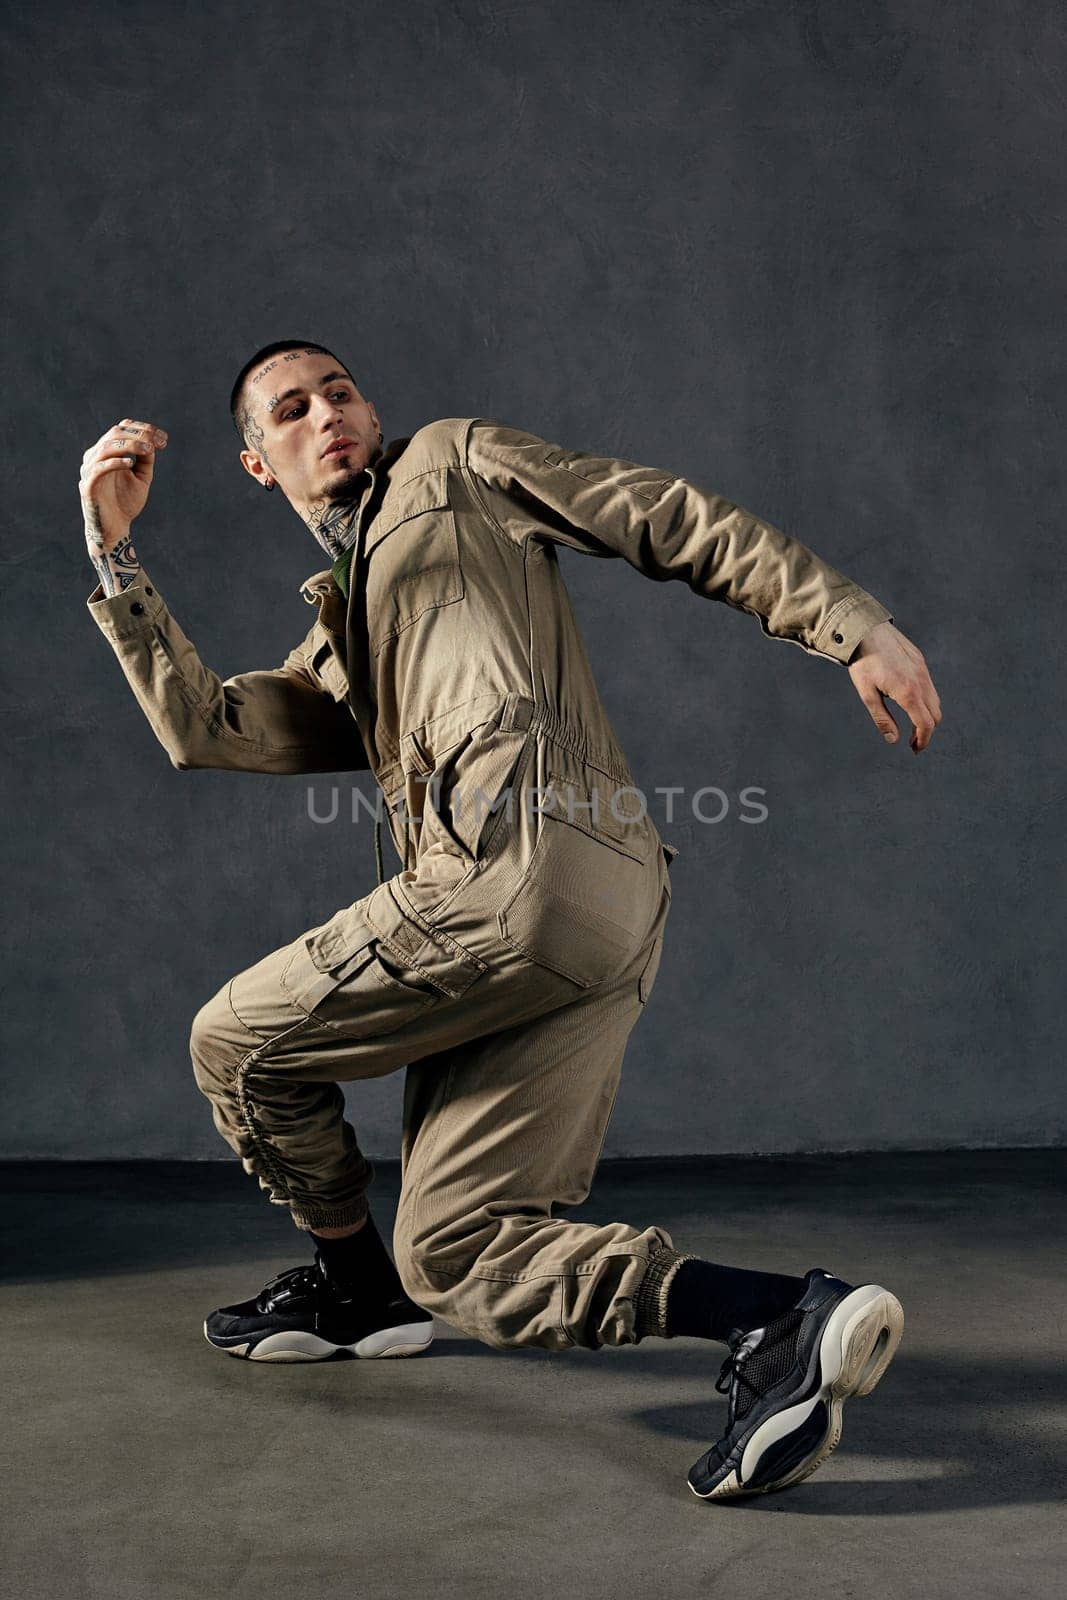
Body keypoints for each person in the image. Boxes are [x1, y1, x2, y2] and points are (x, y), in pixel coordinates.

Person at [80, 339, 940, 1500]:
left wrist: (845, 621)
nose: (326, 413)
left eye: (339, 391)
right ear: (254, 460)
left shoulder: (451, 463)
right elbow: (213, 729)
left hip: (522, 869)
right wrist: (114, 551)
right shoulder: (345, 629)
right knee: (456, 1250)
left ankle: (348, 1287)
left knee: (234, 1043)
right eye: (292, 408)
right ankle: (782, 1319)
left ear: (371, 409)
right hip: (595, 917)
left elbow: (661, 515)